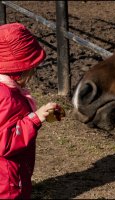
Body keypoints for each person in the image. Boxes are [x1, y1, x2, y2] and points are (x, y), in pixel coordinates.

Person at [0, 22, 62, 199]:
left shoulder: (7, 90)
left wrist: (39, 115)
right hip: (7, 181)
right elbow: (4, 142)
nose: (33, 73)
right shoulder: (6, 96)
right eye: (31, 68)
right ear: (17, 69)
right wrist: (34, 119)